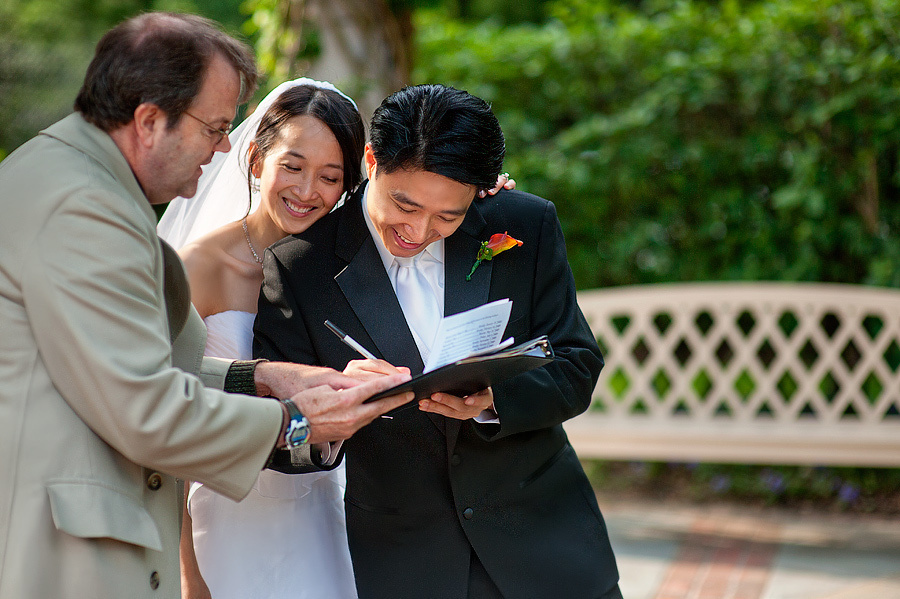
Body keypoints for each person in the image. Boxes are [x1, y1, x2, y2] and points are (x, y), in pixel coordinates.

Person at [0, 13, 410, 599]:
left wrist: (259, 376)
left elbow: (129, 366)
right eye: (215, 127)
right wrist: (295, 421)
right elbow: (145, 409)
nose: (224, 147)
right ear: (149, 120)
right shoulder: (83, 210)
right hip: (66, 550)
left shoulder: (71, 179)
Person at [254, 84, 621, 599]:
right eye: (403, 205)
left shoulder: (523, 223)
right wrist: (331, 408)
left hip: (548, 549)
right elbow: (277, 438)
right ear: (372, 161)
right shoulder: (300, 267)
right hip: (405, 564)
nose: (419, 230)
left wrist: (494, 400)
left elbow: (577, 364)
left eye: (448, 217)